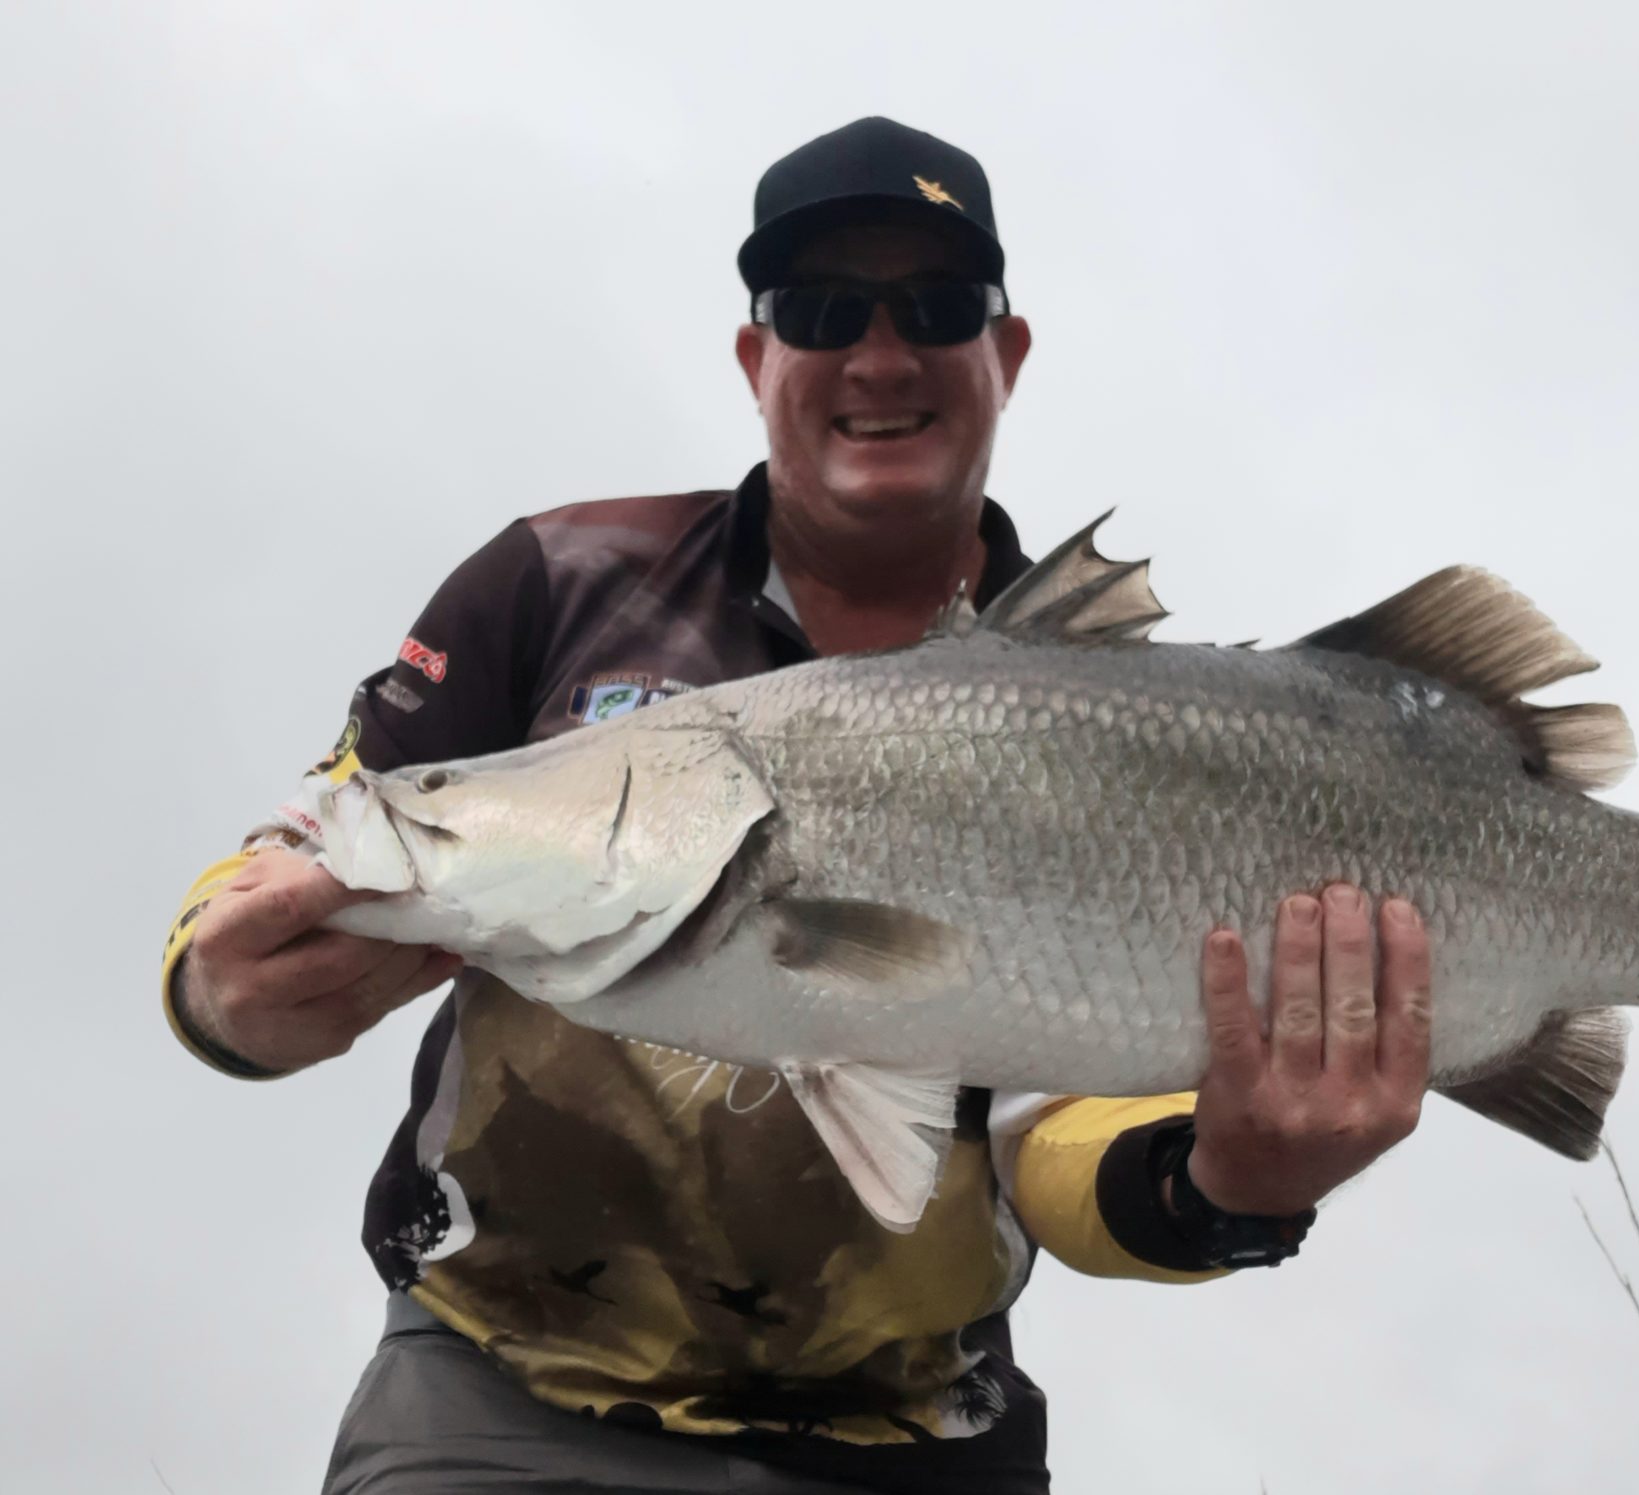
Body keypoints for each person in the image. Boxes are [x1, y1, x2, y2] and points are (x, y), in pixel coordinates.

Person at [162, 117, 1433, 1494]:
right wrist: (215, 992)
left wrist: (1230, 1188)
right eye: (821, 309)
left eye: (937, 308)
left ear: (1005, 357)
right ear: (757, 357)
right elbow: (316, 834)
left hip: (916, 1441)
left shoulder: (1103, 710)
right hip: (498, 1398)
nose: (879, 355)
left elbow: (1051, 1132)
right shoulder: (555, 579)